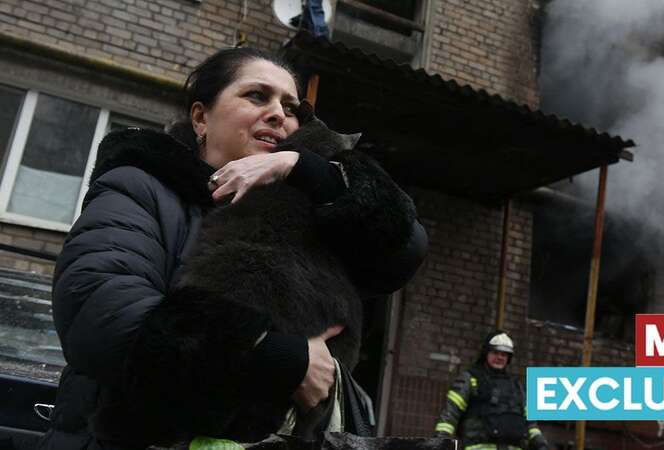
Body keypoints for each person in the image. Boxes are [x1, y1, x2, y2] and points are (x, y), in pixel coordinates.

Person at [38, 47, 427, 449]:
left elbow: (405, 248)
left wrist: (306, 170)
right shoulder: (142, 187)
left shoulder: (305, 209)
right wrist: (282, 356)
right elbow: (103, 316)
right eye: (256, 96)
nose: (279, 114)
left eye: (291, 107)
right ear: (201, 118)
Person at [434, 331, 549, 450]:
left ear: (509, 358)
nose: (499, 357)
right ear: (486, 353)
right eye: (495, 352)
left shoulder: (517, 386)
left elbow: (530, 422)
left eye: (504, 354)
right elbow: (451, 413)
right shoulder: (470, 380)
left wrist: (540, 442)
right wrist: (441, 440)